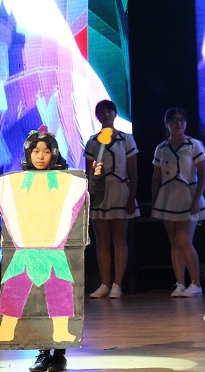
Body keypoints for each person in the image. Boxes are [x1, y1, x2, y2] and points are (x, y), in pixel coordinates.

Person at [0, 129, 100, 372]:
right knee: (19, 294)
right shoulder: (16, 183)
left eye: (46, 151)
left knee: (59, 295)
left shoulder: (66, 181)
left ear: (54, 154)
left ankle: (59, 352)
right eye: (35, 151)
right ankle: (41, 351)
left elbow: (89, 198)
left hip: (55, 252)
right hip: (25, 252)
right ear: (28, 154)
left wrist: (96, 179)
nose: (41, 156)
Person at [151, 107, 205, 297]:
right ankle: (180, 283)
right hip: (168, 197)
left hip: (188, 195)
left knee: (184, 239)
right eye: (174, 120)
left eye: (182, 120)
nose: (178, 123)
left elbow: (203, 173)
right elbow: (156, 177)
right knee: (174, 241)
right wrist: (155, 202)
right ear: (167, 123)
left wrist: (197, 198)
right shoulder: (161, 148)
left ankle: (196, 283)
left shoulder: (194, 144)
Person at [84, 100, 139, 299]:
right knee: (102, 240)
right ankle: (104, 283)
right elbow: (89, 173)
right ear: (97, 116)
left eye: (109, 111)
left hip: (120, 191)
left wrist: (131, 197)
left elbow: (133, 171)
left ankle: (117, 284)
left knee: (119, 238)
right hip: (100, 194)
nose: (106, 114)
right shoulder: (92, 142)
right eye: (102, 112)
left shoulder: (126, 139)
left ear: (115, 114)